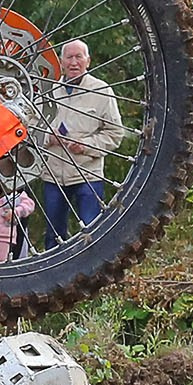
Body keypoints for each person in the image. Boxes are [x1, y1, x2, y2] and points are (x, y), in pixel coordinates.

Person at [37, 39, 125, 248]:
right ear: (61, 61)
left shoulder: (102, 91)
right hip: (53, 175)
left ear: (88, 61)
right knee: (53, 236)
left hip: (87, 174)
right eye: (69, 57)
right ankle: (54, 279)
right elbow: (29, 128)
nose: (74, 62)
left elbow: (115, 133)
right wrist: (48, 137)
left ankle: (90, 277)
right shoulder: (48, 90)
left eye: (79, 57)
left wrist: (85, 145)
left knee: (91, 232)